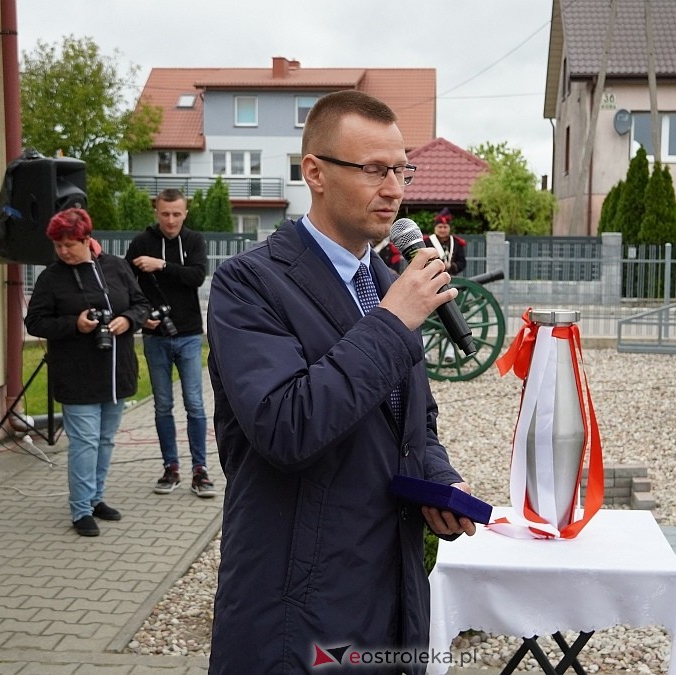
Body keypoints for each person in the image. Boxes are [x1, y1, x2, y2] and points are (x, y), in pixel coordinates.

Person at [206, 90, 476, 674]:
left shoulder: (385, 281)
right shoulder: (249, 284)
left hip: (386, 584)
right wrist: (394, 321)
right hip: (298, 601)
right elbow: (286, 426)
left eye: (401, 169)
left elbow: (410, 417)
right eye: (374, 170)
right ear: (315, 174)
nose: (396, 189)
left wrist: (436, 478)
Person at [24, 207, 149, 537]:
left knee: (105, 440)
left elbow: (141, 304)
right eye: (58, 245)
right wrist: (74, 324)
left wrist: (129, 320)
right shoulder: (51, 278)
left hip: (115, 372)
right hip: (76, 374)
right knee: (85, 443)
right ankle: (80, 509)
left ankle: (96, 499)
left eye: (70, 244)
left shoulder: (116, 267)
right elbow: (34, 322)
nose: (64, 251)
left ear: (87, 239)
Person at [123, 189, 215, 498]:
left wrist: (161, 265)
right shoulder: (140, 243)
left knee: (195, 404)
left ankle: (200, 470)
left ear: (185, 213)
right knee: (163, 405)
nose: (171, 220)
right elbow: (124, 284)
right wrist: (141, 315)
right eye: (165, 214)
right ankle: (170, 468)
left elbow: (198, 276)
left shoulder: (194, 241)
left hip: (188, 334)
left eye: (177, 214)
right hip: (154, 336)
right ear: (156, 212)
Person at [426, 208, 466, 276]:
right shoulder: (427, 242)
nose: (442, 230)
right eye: (440, 227)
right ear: (435, 228)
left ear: (449, 228)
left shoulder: (457, 242)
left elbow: (462, 262)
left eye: (445, 227)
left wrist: (451, 266)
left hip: (451, 276)